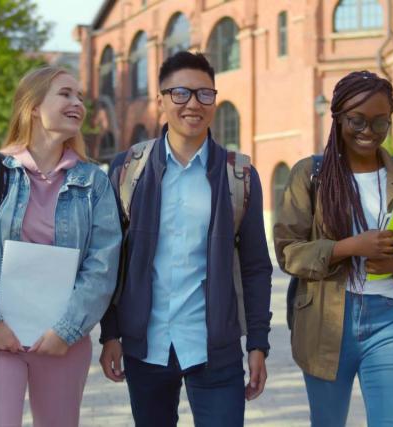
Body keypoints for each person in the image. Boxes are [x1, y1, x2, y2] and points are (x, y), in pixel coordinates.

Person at [98, 51, 273, 427]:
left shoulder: (238, 175)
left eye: (204, 94)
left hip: (216, 350)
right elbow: (110, 259)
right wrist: (110, 333)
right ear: (161, 100)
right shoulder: (129, 169)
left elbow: (257, 266)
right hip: (146, 348)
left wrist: (258, 342)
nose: (193, 103)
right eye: (180, 93)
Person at [0, 66, 121, 427]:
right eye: (65, 94)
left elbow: (102, 266)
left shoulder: (94, 182)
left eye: (80, 97)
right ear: (34, 106)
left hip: (62, 343)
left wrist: (66, 331)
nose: (78, 103)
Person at [273, 70, 393, 427]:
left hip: (391, 319)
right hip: (326, 320)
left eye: (381, 122)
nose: (369, 131)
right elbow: (288, 251)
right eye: (357, 120)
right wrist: (349, 247)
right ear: (337, 117)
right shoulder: (311, 175)